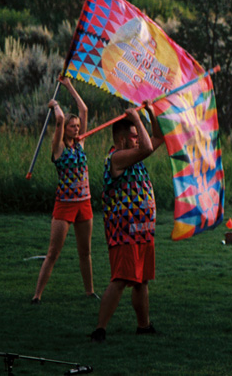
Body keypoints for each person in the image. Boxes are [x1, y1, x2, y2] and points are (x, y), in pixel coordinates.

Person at [91, 105, 166, 342]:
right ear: (123, 140)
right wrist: (136, 117)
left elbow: (158, 138)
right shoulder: (117, 158)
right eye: (134, 135)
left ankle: (143, 326)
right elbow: (146, 145)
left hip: (142, 232)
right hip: (124, 233)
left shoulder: (135, 155)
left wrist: (151, 112)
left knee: (141, 280)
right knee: (121, 278)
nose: (138, 139)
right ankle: (100, 329)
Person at [32, 77, 96, 303]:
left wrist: (69, 86)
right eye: (73, 126)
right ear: (65, 129)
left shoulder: (80, 144)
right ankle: (37, 295)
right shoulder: (58, 148)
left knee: (85, 253)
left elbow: (84, 109)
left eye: (78, 126)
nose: (77, 129)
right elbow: (59, 119)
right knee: (53, 253)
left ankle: (89, 292)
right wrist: (55, 105)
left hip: (84, 202)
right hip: (65, 204)